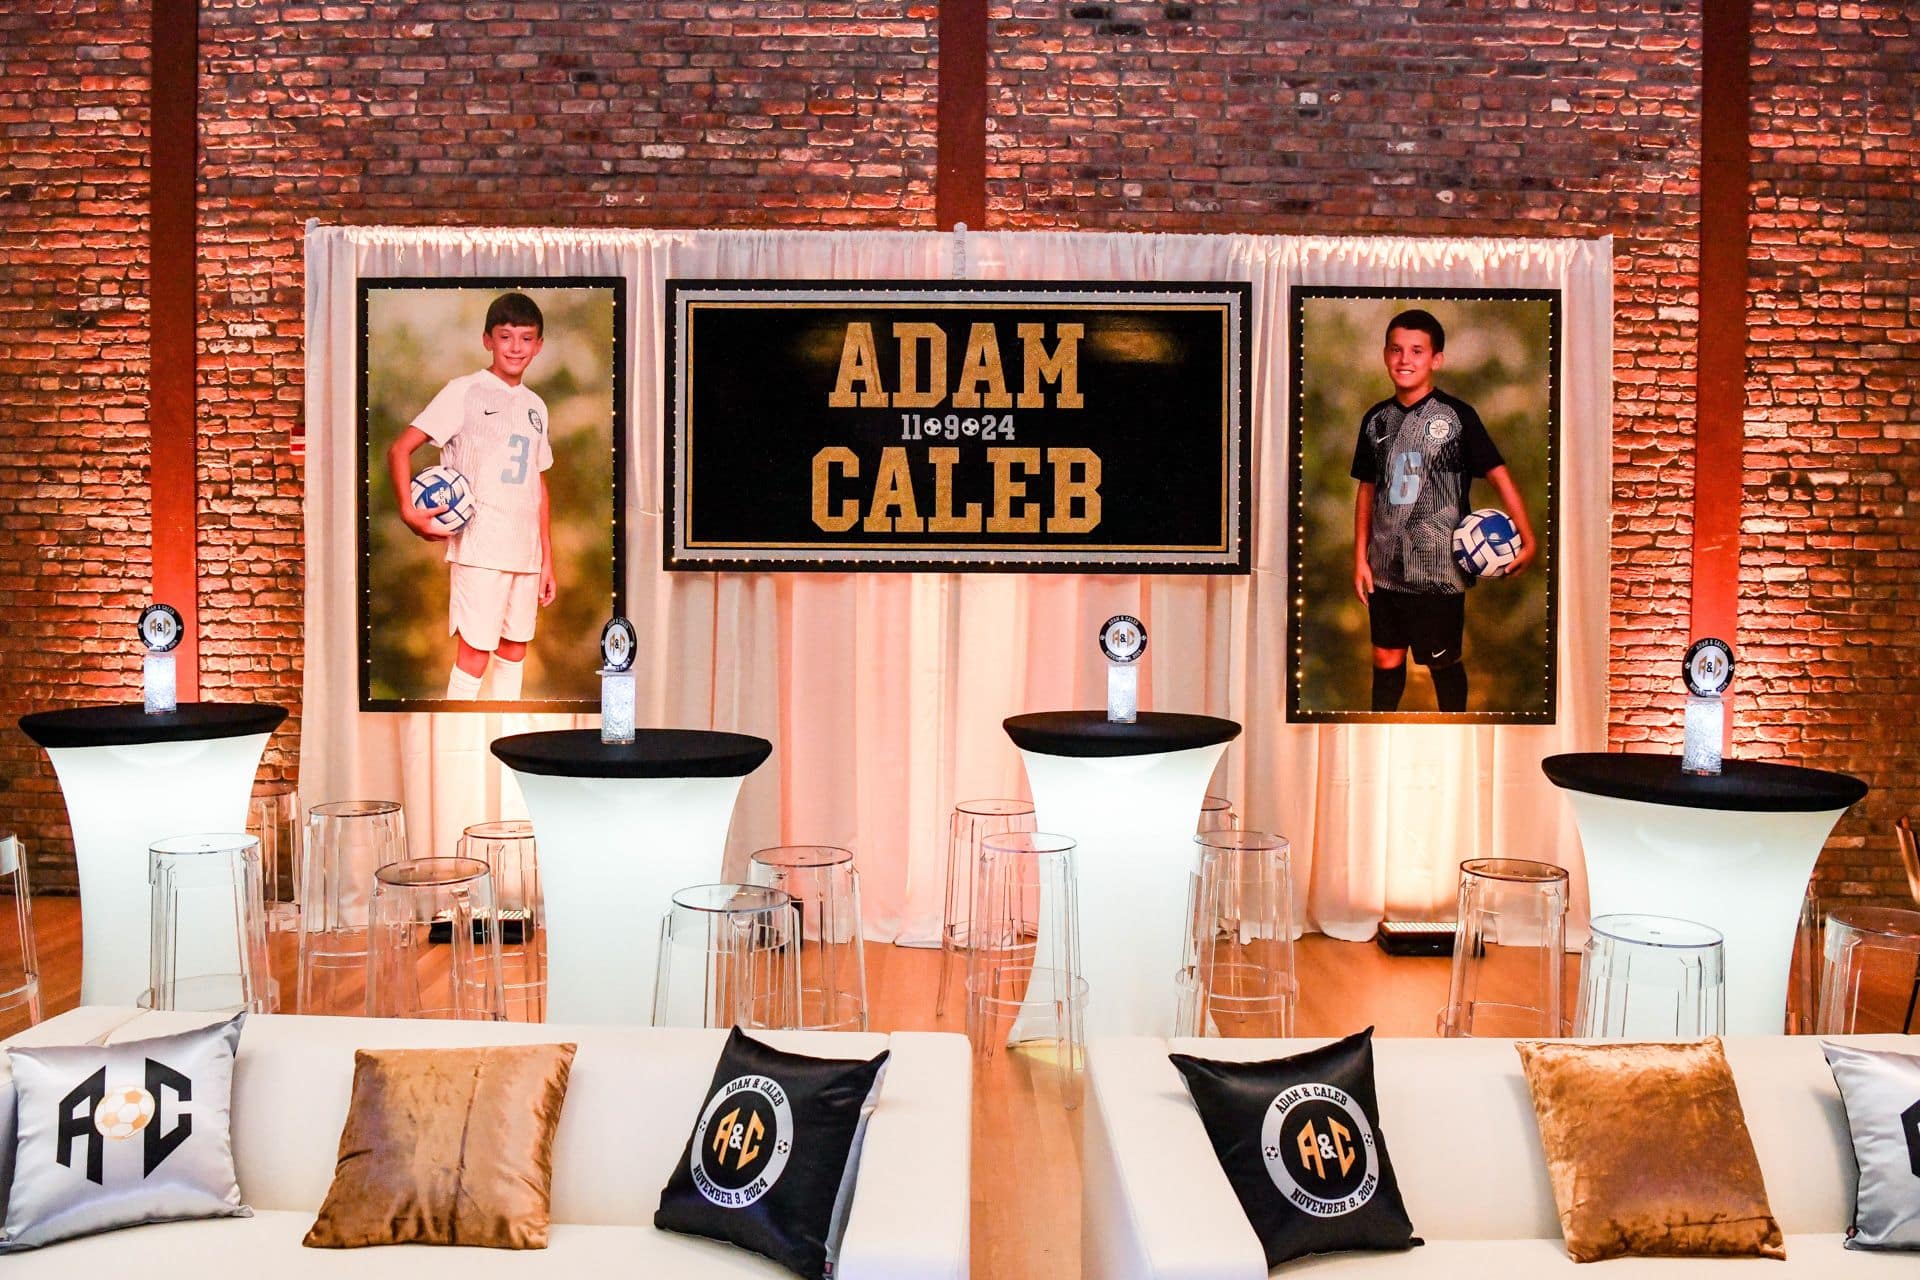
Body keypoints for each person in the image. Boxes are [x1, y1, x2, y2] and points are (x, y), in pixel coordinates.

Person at [1349, 308, 1536, 713]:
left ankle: (1455, 736)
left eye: (1417, 350)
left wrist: (1528, 537)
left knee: (1442, 662)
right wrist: (1359, 557)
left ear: (1436, 359)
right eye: (1396, 349)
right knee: (1385, 658)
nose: (1405, 359)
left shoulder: (1456, 418)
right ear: (1385, 355)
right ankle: (1379, 738)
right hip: (1385, 566)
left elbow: (1498, 474)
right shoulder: (1376, 421)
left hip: (1438, 569)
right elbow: (1367, 489)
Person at [387, 292, 556, 701]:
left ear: (538, 346)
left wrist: (547, 559)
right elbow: (399, 449)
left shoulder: (536, 406)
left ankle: (501, 749)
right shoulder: (464, 391)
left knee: (515, 653)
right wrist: (411, 514)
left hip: (525, 553)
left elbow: (537, 483)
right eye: (505, 336)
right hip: (480, 548)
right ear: (488, 340)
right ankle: (456, 751)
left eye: (525, 338)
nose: (515, 347)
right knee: (475, 656)